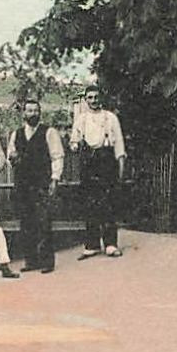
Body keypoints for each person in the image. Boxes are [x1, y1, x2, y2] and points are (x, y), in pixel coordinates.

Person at [6, 97, 65, 273]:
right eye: (29, 110)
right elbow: (11, 156)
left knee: (43, 223)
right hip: (23, 184)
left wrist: (55, 179)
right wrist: (13, 158)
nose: (33, 114)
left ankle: (47, 262)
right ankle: (31, 261)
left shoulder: (49, 132)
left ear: (40, 113)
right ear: (24, 113)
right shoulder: (16, 134)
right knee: (26, 223)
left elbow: (57, 156)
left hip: (42, 183)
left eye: (35, 110)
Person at [68, 86, 127, 258]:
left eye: (96, 97)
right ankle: (92, 244)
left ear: (101, 98)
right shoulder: (82, 119)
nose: (94, 101)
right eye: (90, 98)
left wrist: (121, 166)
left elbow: (119, 144)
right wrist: (74, 145)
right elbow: (74, 140)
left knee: (108, 202)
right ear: (86, 100)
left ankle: (110, 244)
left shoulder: (110, 118)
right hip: (89, 162)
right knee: (90, 203)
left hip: (107, 161)